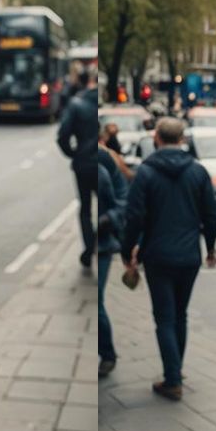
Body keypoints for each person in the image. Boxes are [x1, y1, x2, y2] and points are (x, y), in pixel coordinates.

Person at [119, 116, 216, 402]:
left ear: (157, 139)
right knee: (180, 314)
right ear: (182, 140)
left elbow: (134, 217)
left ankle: (172, 378)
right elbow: (211, 216)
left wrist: (128, 252)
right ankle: (176, 368)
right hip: (189, 255)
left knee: (164, 316)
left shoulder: (146, 173)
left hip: (157, 255)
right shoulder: (198, 172)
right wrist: (210, 247)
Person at [57, 67, 100, 271]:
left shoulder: (77, 104)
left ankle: (88, 248)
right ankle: (103, 241)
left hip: (83, 163)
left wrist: (74, 153)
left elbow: (62, 136)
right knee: (107, 204)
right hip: (104, 163)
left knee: (84, 208)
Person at [95, 136, 129, 378]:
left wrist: (108, 220)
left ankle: (107, 353)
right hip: (91, 243)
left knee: (96, 303)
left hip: (104, 243)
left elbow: (123, 201)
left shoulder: (106, 160)